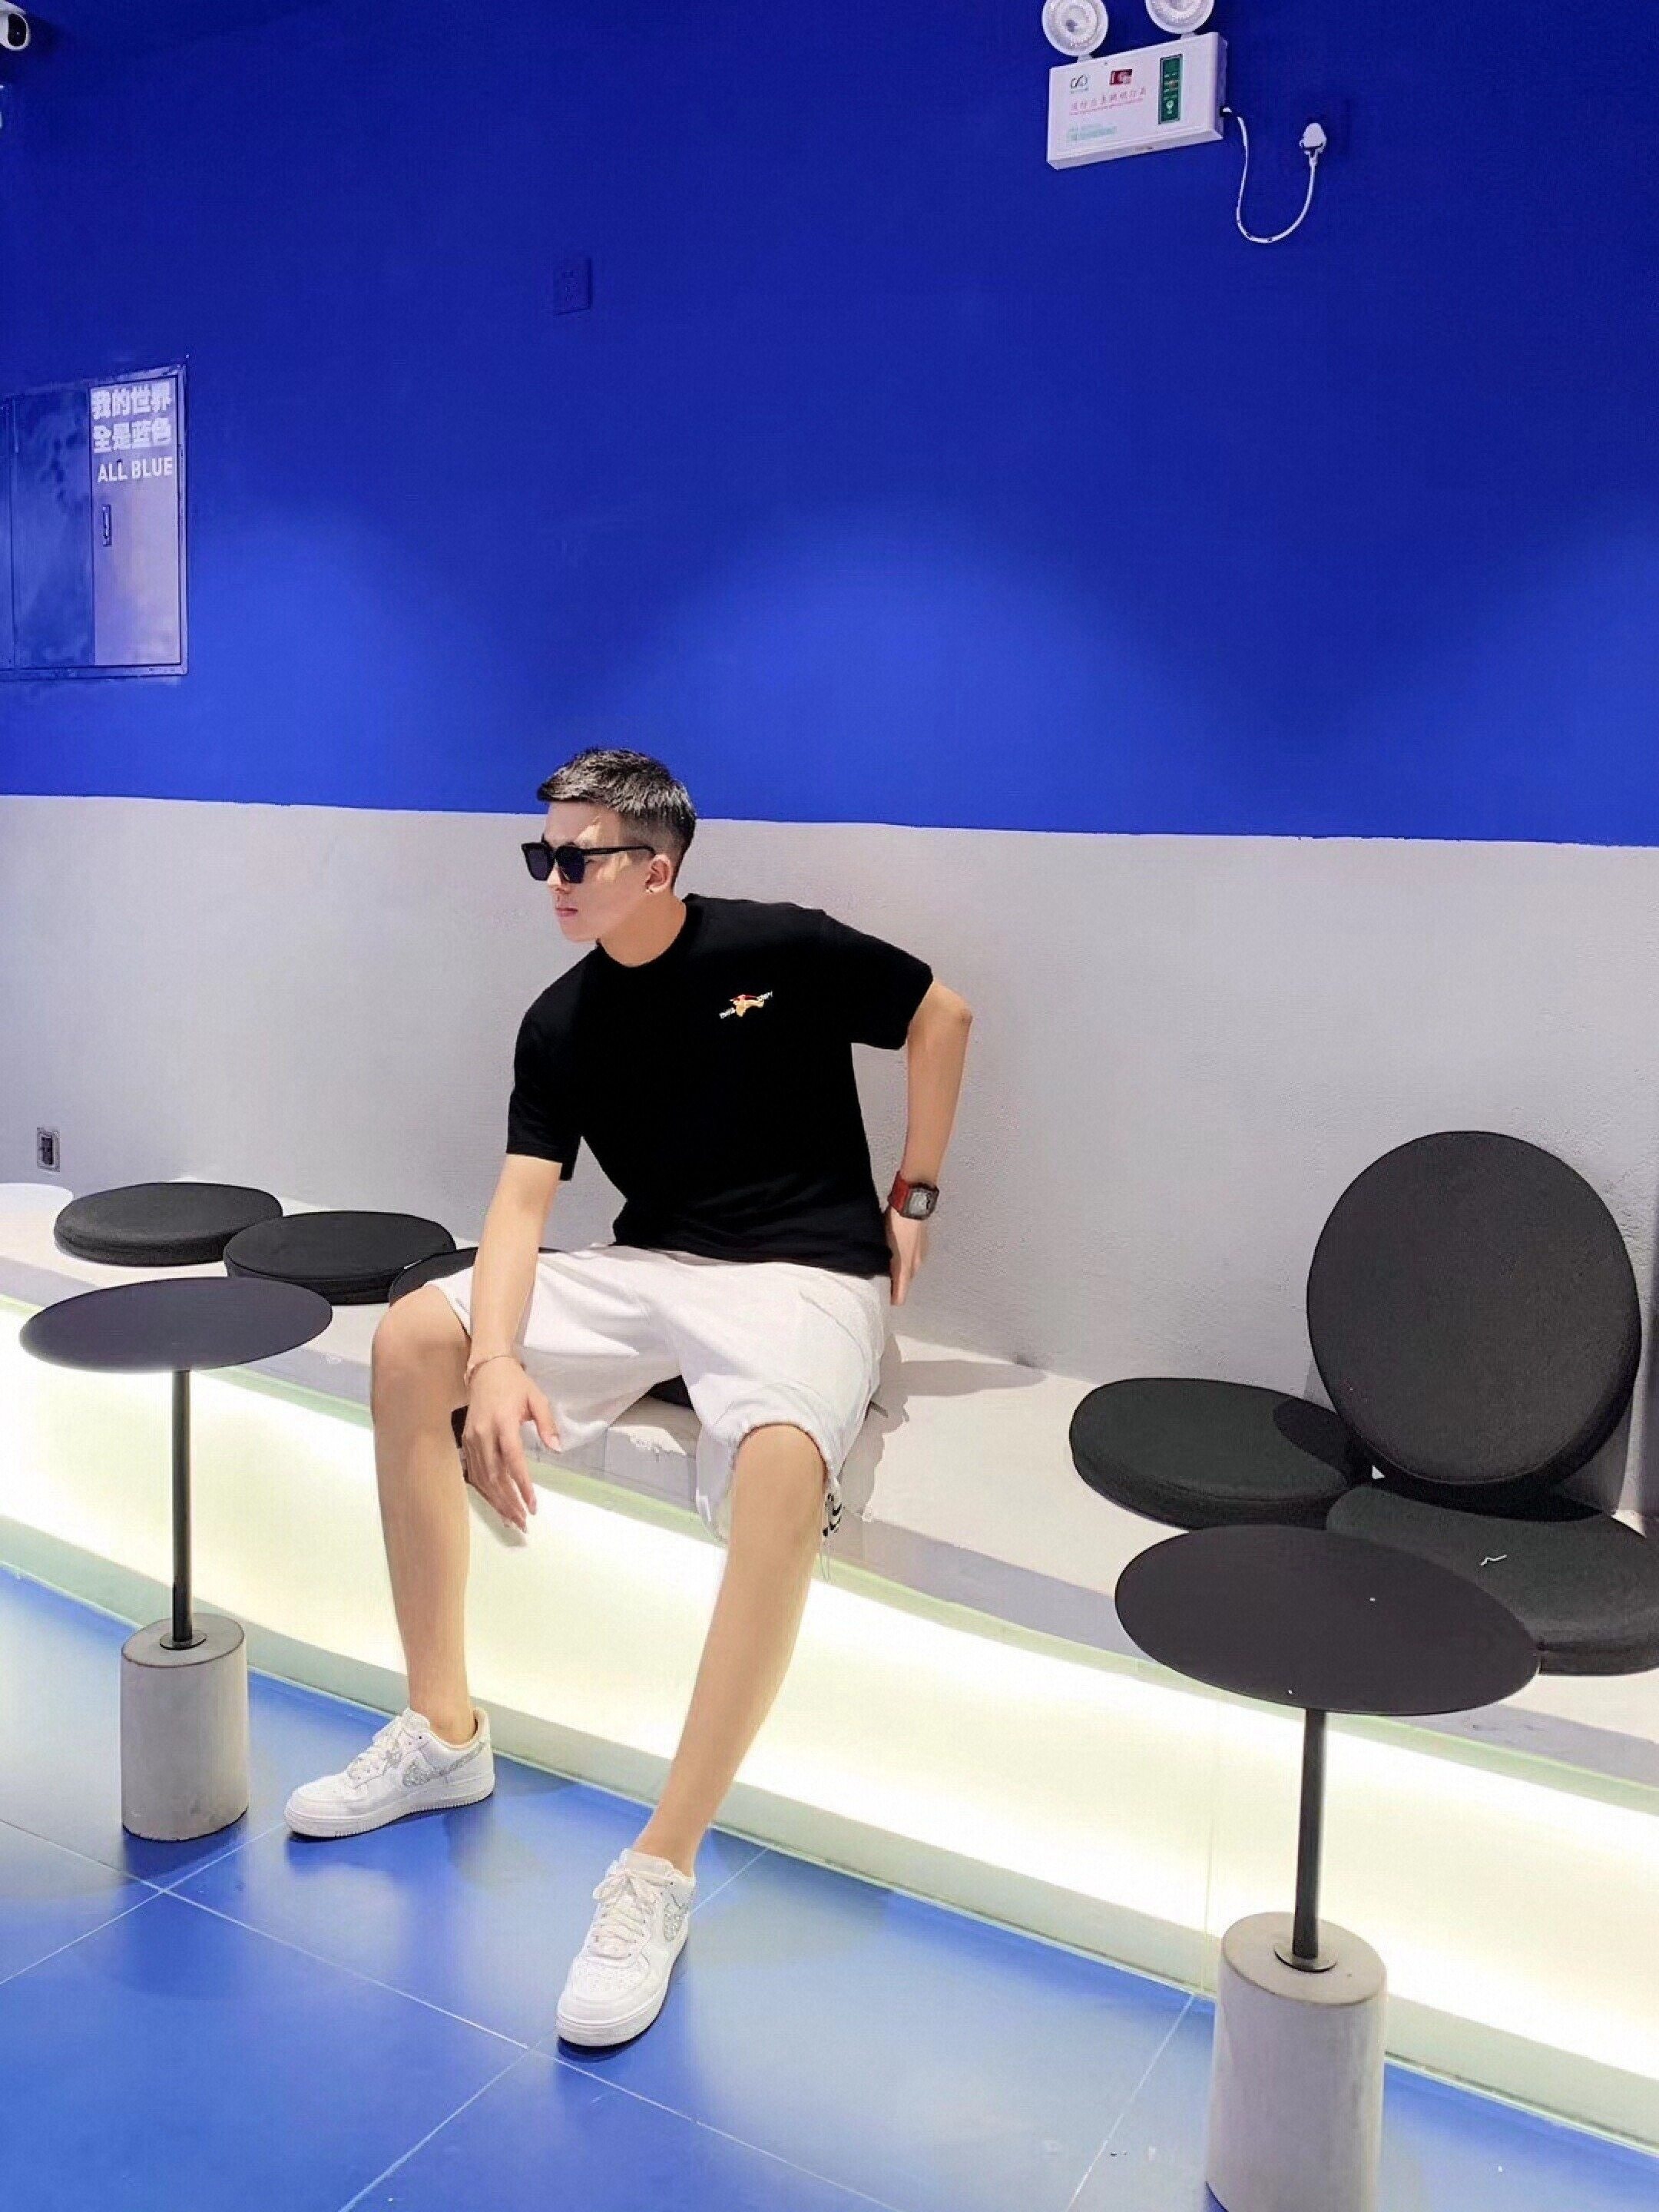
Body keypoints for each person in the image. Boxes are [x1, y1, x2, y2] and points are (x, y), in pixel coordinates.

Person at [283, 747, 973, 2047]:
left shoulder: (779, 946)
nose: (553, 876)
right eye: (541, 853)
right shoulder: (561, 1020)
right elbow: (520, 1204)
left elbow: (944, 1014)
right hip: (648, 1267)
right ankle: (441, 1728)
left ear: (658, 867)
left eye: (578, 855)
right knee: (412, 1343)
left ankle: (660, 1867)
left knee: (781, 1458)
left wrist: (917, 1193)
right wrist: (493, 1356)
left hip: (808, 1275)